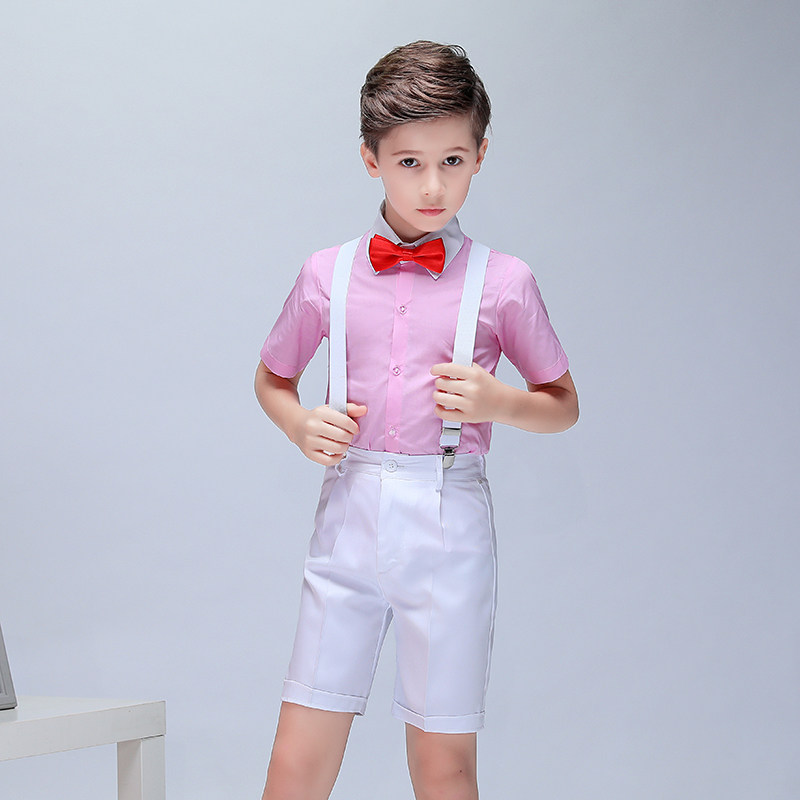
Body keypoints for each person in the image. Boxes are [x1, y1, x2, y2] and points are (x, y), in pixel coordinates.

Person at [254, 40, 578, 800]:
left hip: (447, 519)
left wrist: (499, 403)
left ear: (481, 155)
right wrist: (299, 425)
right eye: (409, 163)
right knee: (297, 757)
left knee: (444, 762)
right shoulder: (327, 273)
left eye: (453, 161)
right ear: (371, 159)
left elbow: (563, 404)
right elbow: (272, 379)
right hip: (349, 512)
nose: (433, 185)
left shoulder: (504, 282)